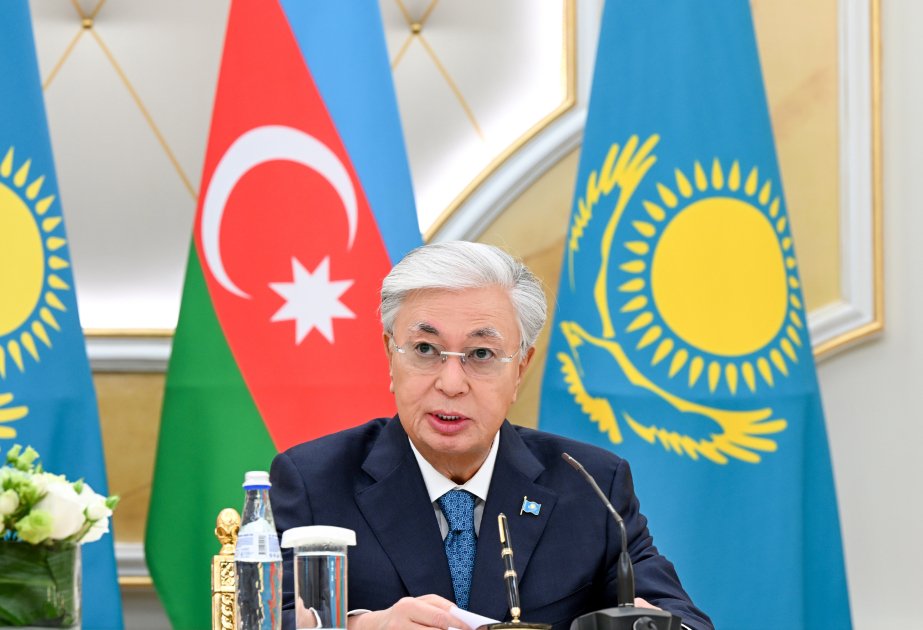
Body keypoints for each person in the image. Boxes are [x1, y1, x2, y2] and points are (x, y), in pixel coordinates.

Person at [270, 241, 712, 630]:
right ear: (391, 355)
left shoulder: (591, 485)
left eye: (481, 354)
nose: (451, 383)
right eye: (425, 349)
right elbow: (265, 619)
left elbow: (681, 617)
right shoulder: (314, 482)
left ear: (520, 368)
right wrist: (362, 627)